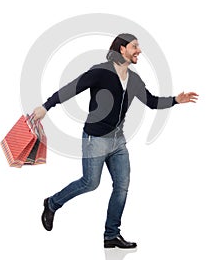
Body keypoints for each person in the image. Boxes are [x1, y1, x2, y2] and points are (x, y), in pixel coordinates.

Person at [33, 33, 198, 249]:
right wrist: (45, 106)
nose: (139, 50)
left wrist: (176, 100)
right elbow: (70, 89)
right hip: (96, 139)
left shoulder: (134, 80)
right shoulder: (100, 72)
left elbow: (152, 102)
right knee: (90, 183)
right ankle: (52, 203)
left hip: (118, 141)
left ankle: (111, 235)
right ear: (122, 49)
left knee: (122, 186)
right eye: (135, 46)